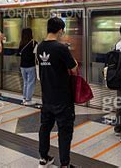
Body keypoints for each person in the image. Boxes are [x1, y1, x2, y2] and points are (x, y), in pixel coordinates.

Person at [37, 17, 78, 168]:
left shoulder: (40, 46)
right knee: (65, 131)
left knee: (45, 127)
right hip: (62, 97)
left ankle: (43, 158)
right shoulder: (61, 48)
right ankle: (65, 164)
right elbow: (73, 68)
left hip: (46, 96)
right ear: (60, 30)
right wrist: (68, 52)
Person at [18, 28, 38, 106]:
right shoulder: (34, 43)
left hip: (22, 66)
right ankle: (28, 99)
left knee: (25, 82)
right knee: (31, 83)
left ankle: (24, 98)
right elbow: (36, 54)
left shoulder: (21, 43)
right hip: (31, 66)